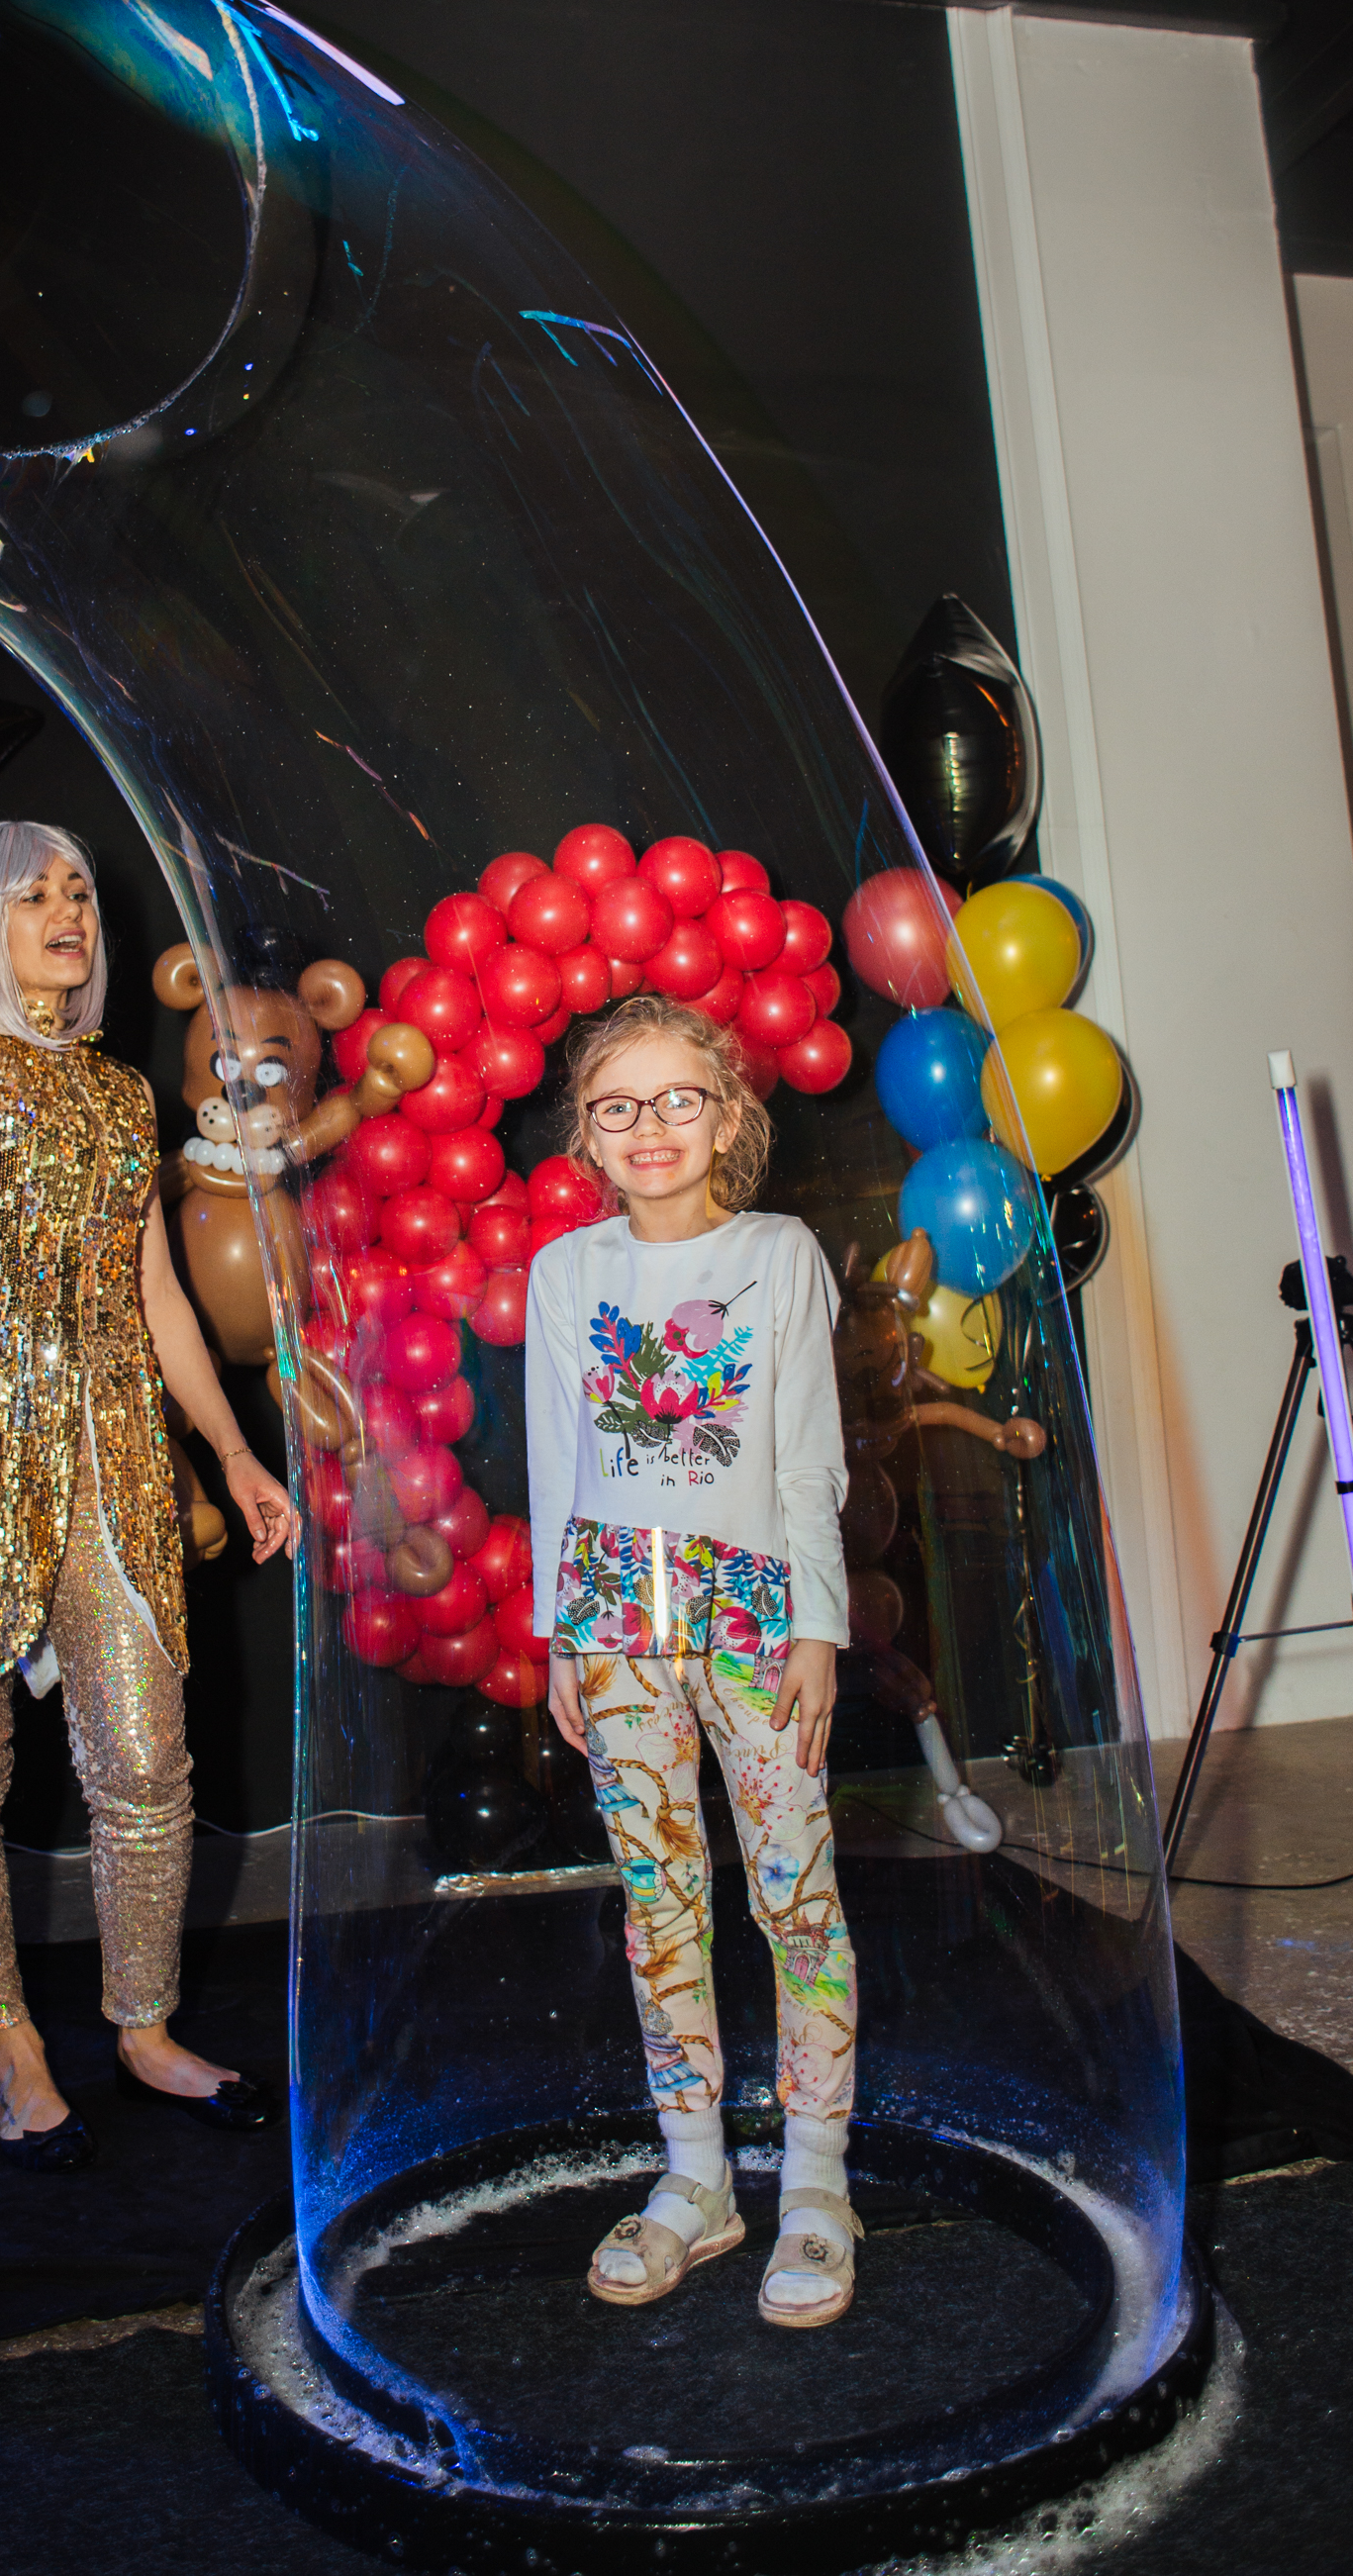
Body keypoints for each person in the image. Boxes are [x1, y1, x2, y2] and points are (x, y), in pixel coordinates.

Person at [0, 543, 298, 2167]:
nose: (67, 911)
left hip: (115, 1443)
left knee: (145, 1756)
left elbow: (161, 1299)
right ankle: (11, 2044)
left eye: (81, 893)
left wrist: (236, 1455)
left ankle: (145, 2025)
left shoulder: (122, 1098)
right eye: (34, 891)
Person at [528, 993, 858, 2327]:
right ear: (585, 1134)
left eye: (677, 1099)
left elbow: (810, 1456)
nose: (649, 1127)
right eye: (617, 1107)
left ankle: (819, 2178)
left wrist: (819, 1624)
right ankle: (697, 2175)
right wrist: (559, 1627)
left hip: (755, 1613)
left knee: (796, 1893)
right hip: (615, 1614)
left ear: (727, 1116)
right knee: (657, 1899)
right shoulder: (566, 1272)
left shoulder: (779, 1254)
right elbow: (558, 1457)